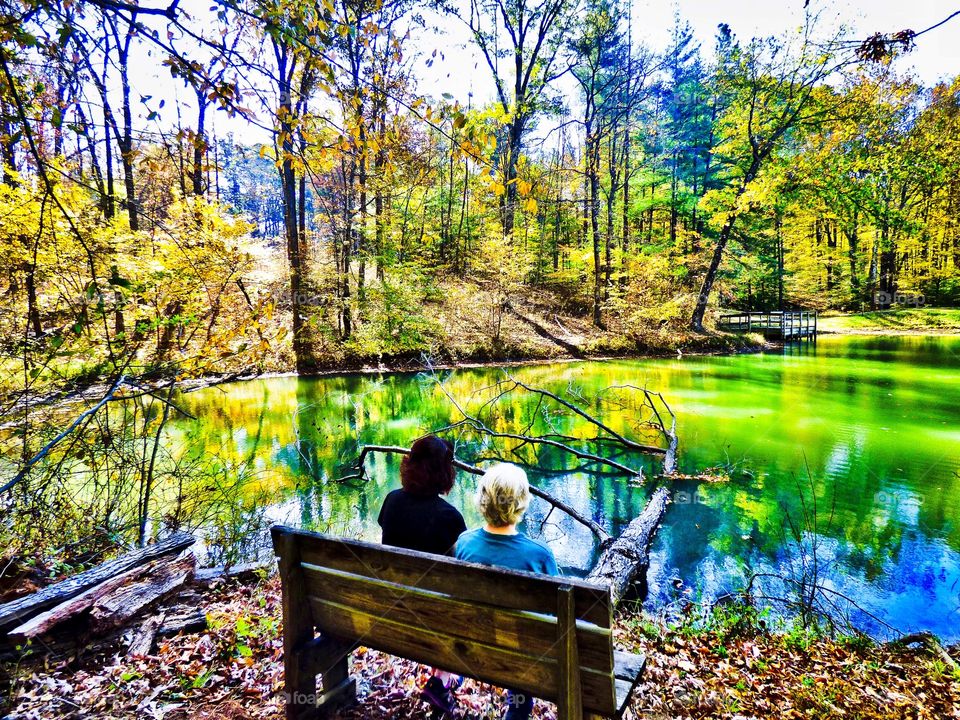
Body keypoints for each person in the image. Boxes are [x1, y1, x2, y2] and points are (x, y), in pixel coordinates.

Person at [455, 463, 558, 720]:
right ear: (522, 501)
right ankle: (516, 710)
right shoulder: (539, 555)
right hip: (520, 656)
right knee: (522, 644)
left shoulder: (463, 543)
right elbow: (561, 612)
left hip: (472, 646)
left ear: (482, 500)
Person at [377, 435, 467, 717]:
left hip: (388, 612)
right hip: (431, 618)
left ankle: (441, 677)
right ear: (443, 472)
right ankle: (442, 678)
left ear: (410, 465)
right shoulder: (449, 517)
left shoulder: (391, 501)